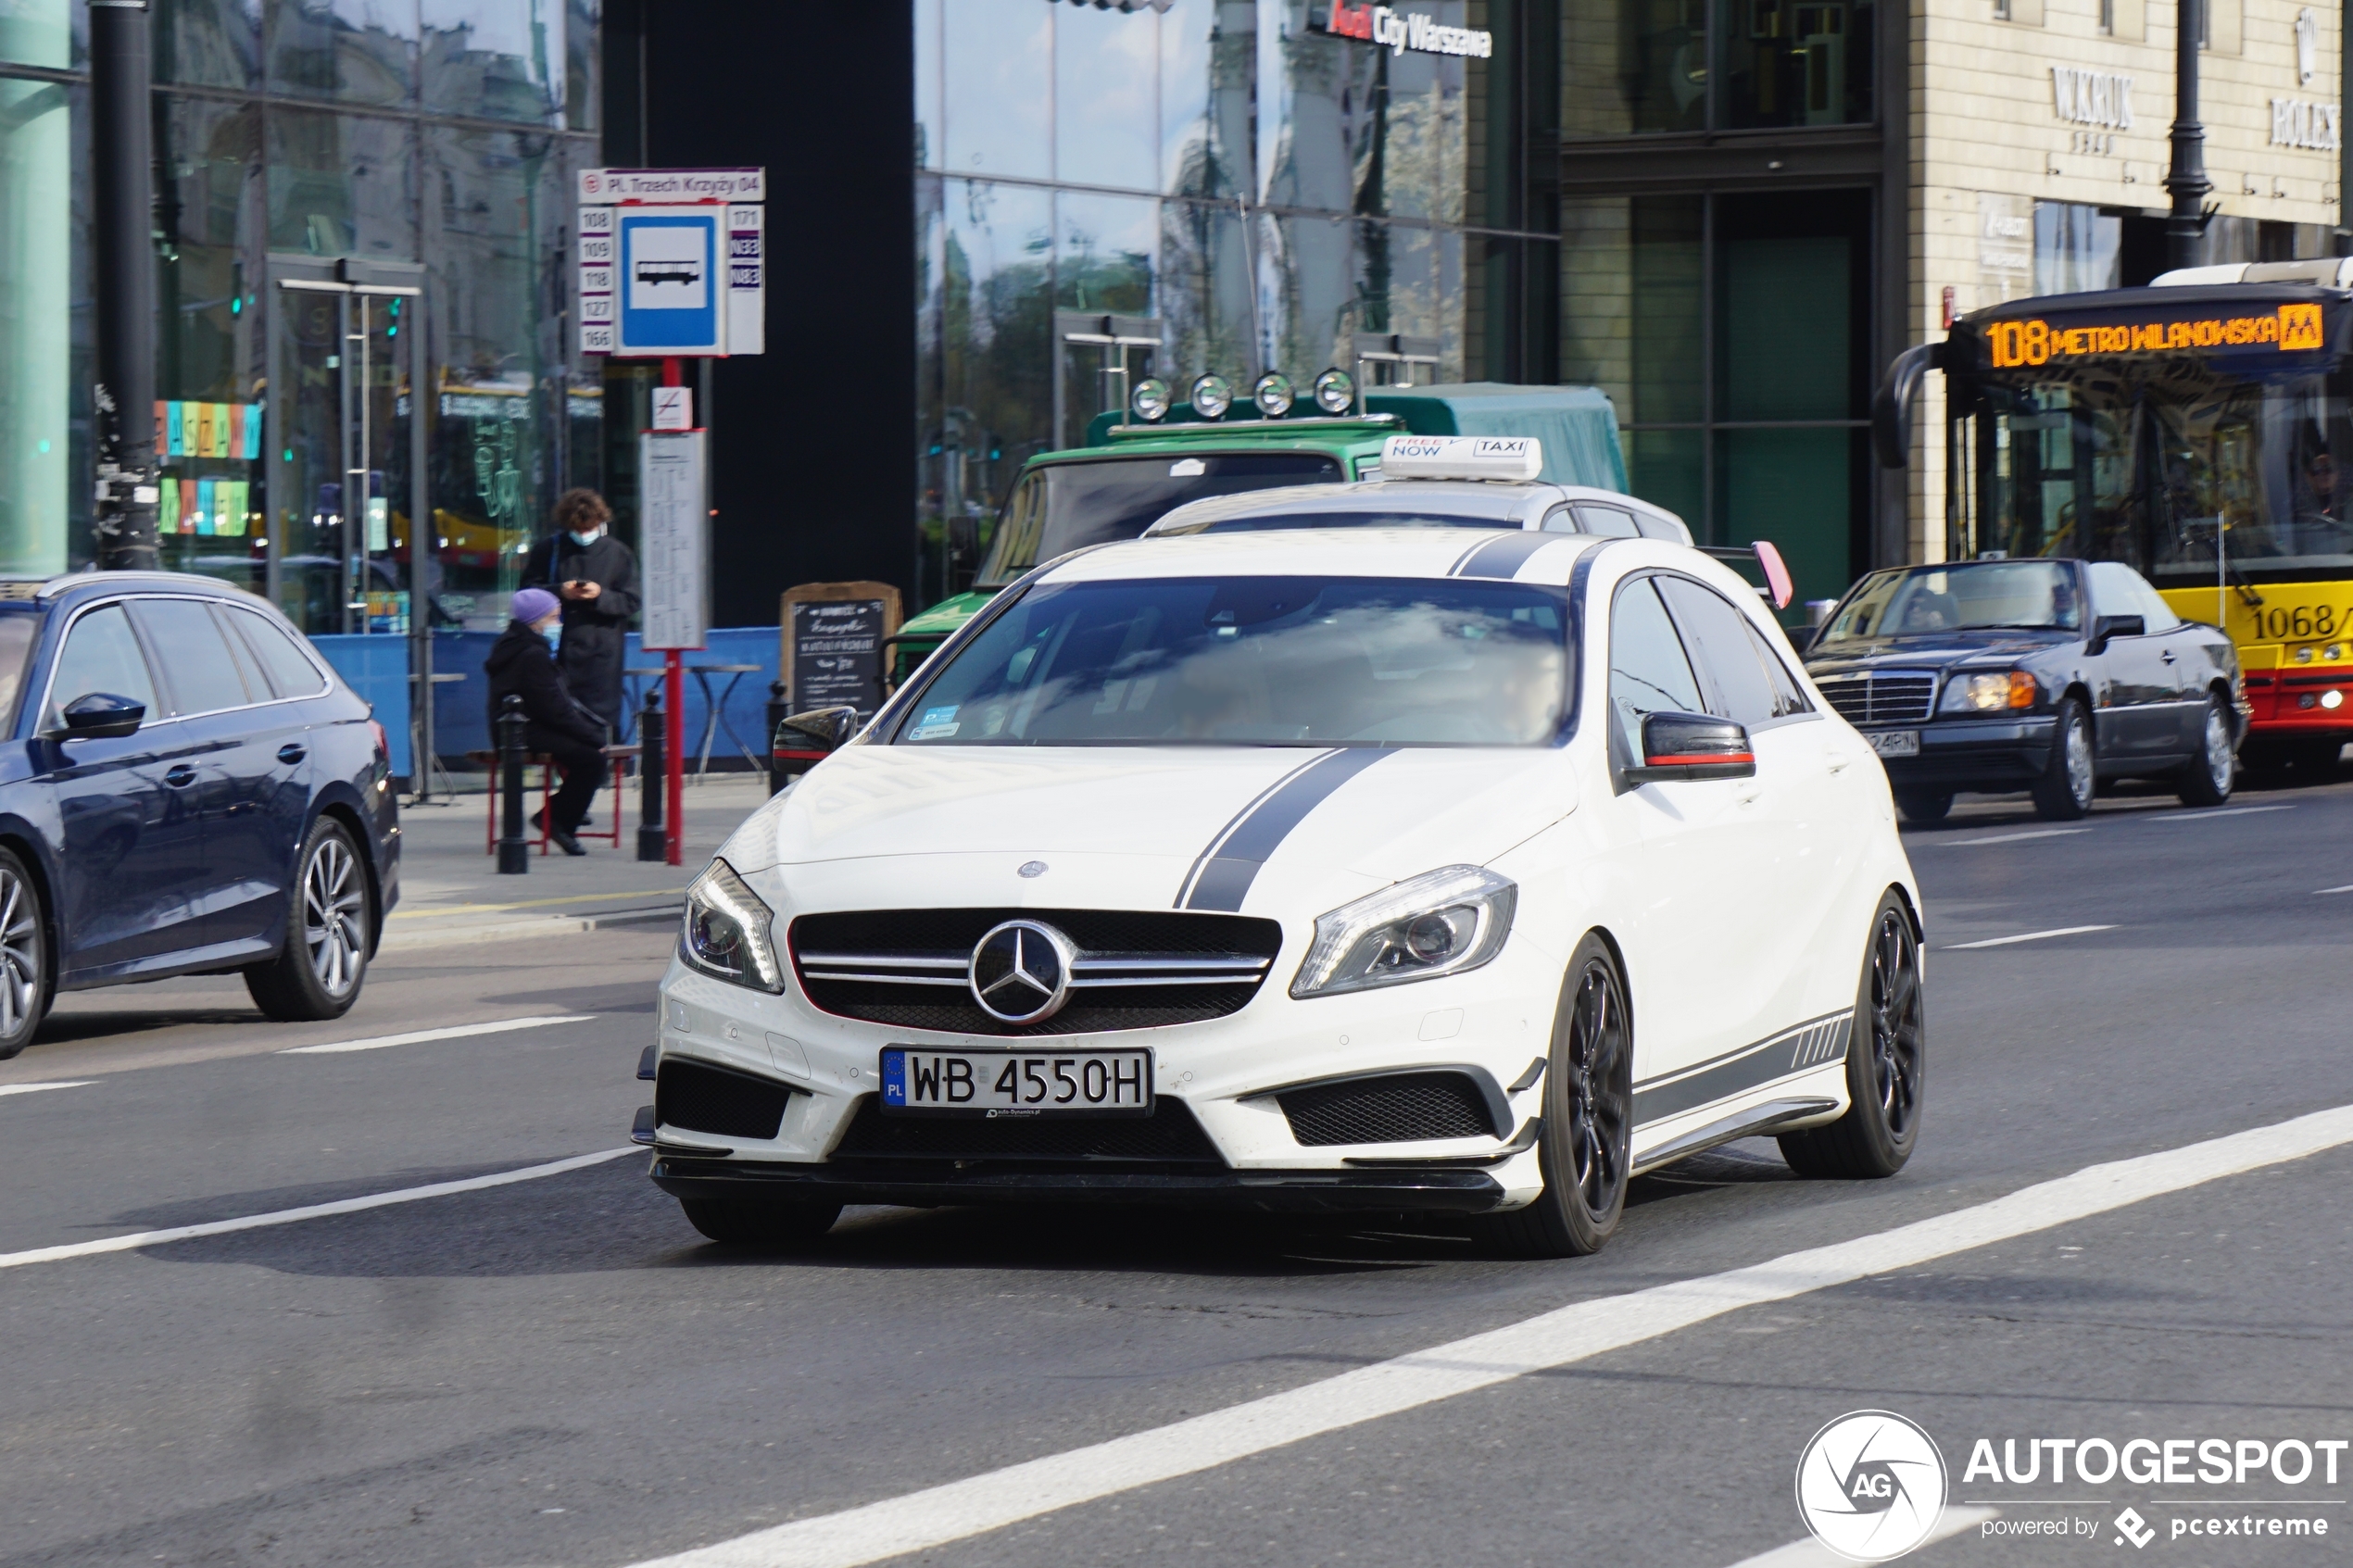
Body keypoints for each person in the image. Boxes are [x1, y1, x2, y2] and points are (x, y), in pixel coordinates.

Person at [485, 587, 606, 856]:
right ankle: (558, 819)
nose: (558, 624)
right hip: (526, 731)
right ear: (535, 621)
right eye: (553, 618)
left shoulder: (513, 646)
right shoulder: (533, 655)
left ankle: (563, 816)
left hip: (514, 728)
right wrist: (592, 737)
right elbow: (553, 707)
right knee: (592, 759)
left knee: (586, 755)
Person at [522, 488, 640, 734]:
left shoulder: (618, 553)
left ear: (599, 522)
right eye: (577, 529)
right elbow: (525, 594)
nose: (583, 534)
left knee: (600, 725)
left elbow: (631, 601)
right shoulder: (548, 550)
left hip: (602, 657)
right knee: (558, 719)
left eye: (588, 528)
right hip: (558, 651)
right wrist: (559, 591)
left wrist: (600, 595)